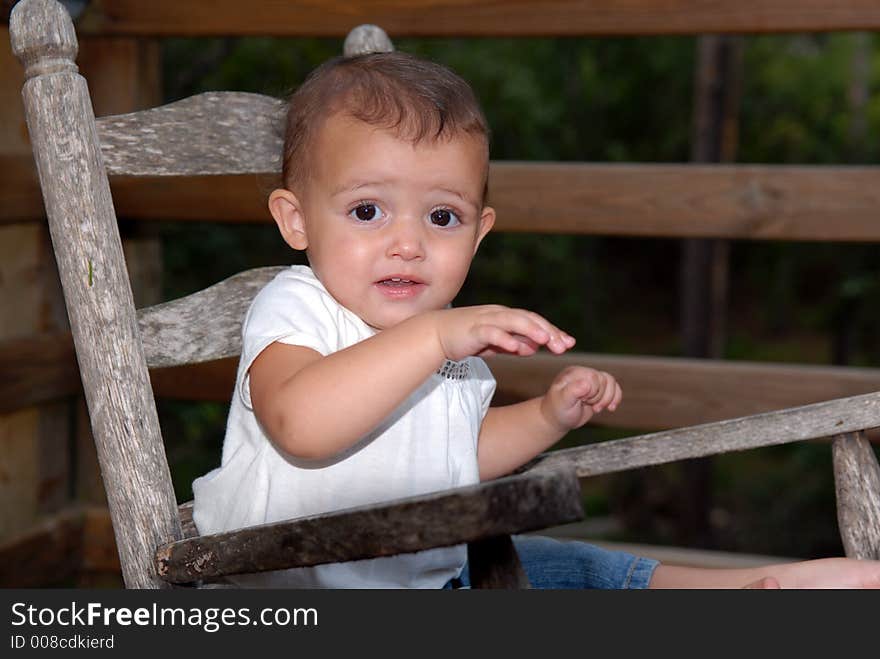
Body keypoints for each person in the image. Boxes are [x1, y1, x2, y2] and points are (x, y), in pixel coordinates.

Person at [192, 50, 880, 589]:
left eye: (442, 216)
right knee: (548, 572)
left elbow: (460, 455)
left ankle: (764, 584)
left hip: (426, 577)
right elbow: (302, 425)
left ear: (479, 232)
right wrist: (431, 338)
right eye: (368, 210)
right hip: (289, 586)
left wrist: (549, 416)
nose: (408, 242)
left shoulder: (447, 340)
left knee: (575, 567)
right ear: (295, 219)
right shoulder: (297, 306)